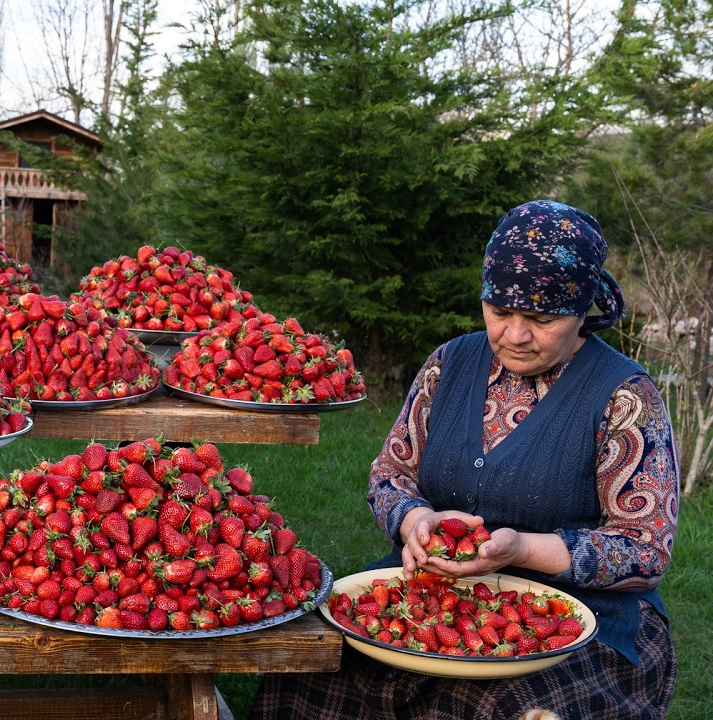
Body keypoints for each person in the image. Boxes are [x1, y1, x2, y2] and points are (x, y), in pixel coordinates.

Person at [251, 200, 678, 719]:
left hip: (575, 613)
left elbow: (645, 550)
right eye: (499, 313)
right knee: (315, 664)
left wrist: (518, 549)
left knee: (483, 702)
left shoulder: (623, 395)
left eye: (541, 319)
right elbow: (390, 477)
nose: (514, 335)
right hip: (433, 590)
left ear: (581, 309)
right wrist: (417, 520)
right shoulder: (449, 364)